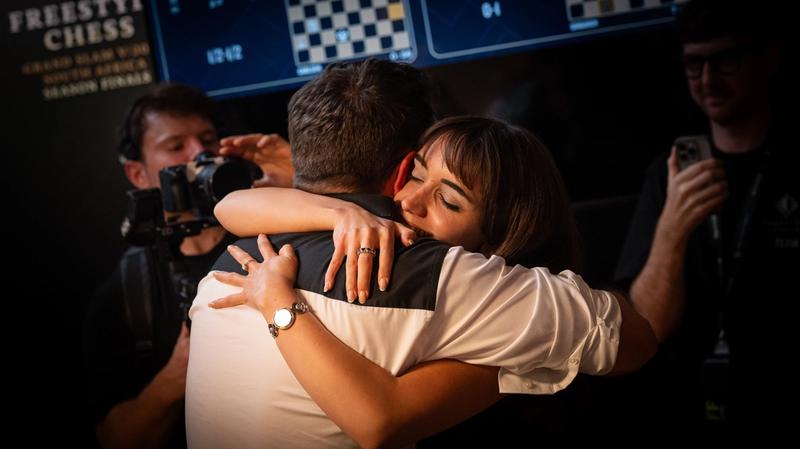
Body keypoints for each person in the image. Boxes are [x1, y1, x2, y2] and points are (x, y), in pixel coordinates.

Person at [186, 59, 657, 449]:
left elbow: (378, 419)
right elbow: (229, 206)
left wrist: (279, 303)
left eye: (449, 201)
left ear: (500, 239)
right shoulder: (373, 243)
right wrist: (335, 210)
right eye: (416, 176)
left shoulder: (470, 287)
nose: (409, 201)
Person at [614, 0, 797, 434]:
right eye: (694, 65)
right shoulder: (669, 172)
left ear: (768, 58)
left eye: (725, 61)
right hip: (693, 402)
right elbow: (649, 326)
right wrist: (673, 228)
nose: (708, 80)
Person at [82, 83, 294, 449]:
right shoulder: (126, 294)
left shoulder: (275, 242)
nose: (199, 155)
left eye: (207, 140)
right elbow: (114, 438)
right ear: (138, 174)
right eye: (176, 146)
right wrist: (175, 378)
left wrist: (296, 184)